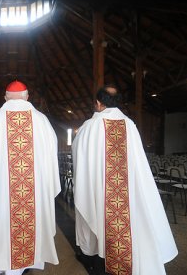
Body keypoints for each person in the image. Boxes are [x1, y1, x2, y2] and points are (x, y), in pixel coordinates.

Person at [71, 85, 178, 275]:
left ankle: (98, 259)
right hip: (127, 190)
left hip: (100, 188)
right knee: (127, 224)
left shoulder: (89, 127)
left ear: (98, 102)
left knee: (97, 219)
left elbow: (79, 155)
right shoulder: (129, 124)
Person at [0, 80, 61, 274]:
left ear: (5, 97)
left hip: (0, 191)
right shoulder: (41, 121)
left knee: (1, 224)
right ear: (27, 97)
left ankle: (1, 264)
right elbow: (51, 158)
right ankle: (25, 264)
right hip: (34, 193)